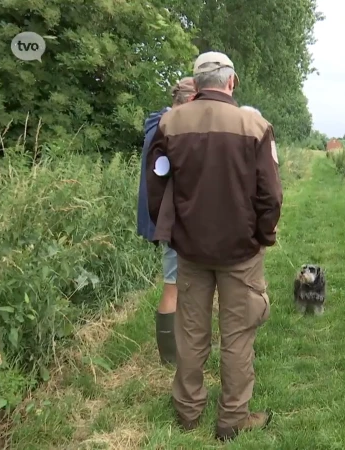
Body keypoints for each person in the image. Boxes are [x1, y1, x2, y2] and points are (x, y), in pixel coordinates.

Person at [145, 51, 282, 442]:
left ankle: (188, 412)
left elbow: (156, 182)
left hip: (190, 250)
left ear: (197, 82)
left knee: (191, 331)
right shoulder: (254, 125)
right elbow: (270, 194)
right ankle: (232, 418)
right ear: (231, 82)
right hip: (241, 250)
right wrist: (264, 235)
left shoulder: (170, 122)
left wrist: (171, 228)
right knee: (238, 334)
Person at [136, 76, 196, 366]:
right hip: (171, 218)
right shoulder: (170, 128)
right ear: (187, 100)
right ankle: (171, 358)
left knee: (177, 283)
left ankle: (174, 349)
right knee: (173, 285)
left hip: (163, 217)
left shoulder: (157, 124)